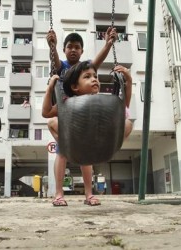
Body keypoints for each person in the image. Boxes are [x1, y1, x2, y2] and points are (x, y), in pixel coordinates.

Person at [42, 61, 133, 206]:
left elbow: (124, 105)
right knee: (53, 122)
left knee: (128, 124)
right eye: (87, 77)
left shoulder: (105, 100)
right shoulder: (67, 102)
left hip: (100, 143)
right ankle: (60, 192)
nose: (94, 79)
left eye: (95, 76)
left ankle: (89, 194)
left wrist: (128, 80)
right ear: (75, 87)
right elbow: (46, 113)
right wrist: (50, 89)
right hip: (75, 143)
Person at [43, 29, 117, 207]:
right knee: (61, 153)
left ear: (82, 51)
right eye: (69, 47)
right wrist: (52, 46)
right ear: (64, 49)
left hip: (84, 119)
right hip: (68, 119)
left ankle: (89, 194)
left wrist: (108, 44)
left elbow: (97, 61)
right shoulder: (62, 68)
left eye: (77, 47)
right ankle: (59, 194)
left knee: (86, 157)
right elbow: (54, 60)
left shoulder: (85, 69)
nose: (73, 50)